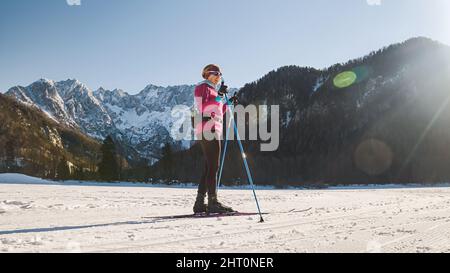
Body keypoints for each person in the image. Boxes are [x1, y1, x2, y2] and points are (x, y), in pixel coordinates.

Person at [192, 64, 238, 214]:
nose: (219, 76)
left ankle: (200, 203)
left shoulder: (211, 89)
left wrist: (228, 103)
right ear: (207, 74)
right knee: (213, 166)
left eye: (220, 73)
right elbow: (205, 108)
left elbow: (217, 111)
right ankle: (213, 202)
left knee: (209, 167)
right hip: (208, 126)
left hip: (211, 125)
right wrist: (219, 96)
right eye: (216, 73)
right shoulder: (203, 87)